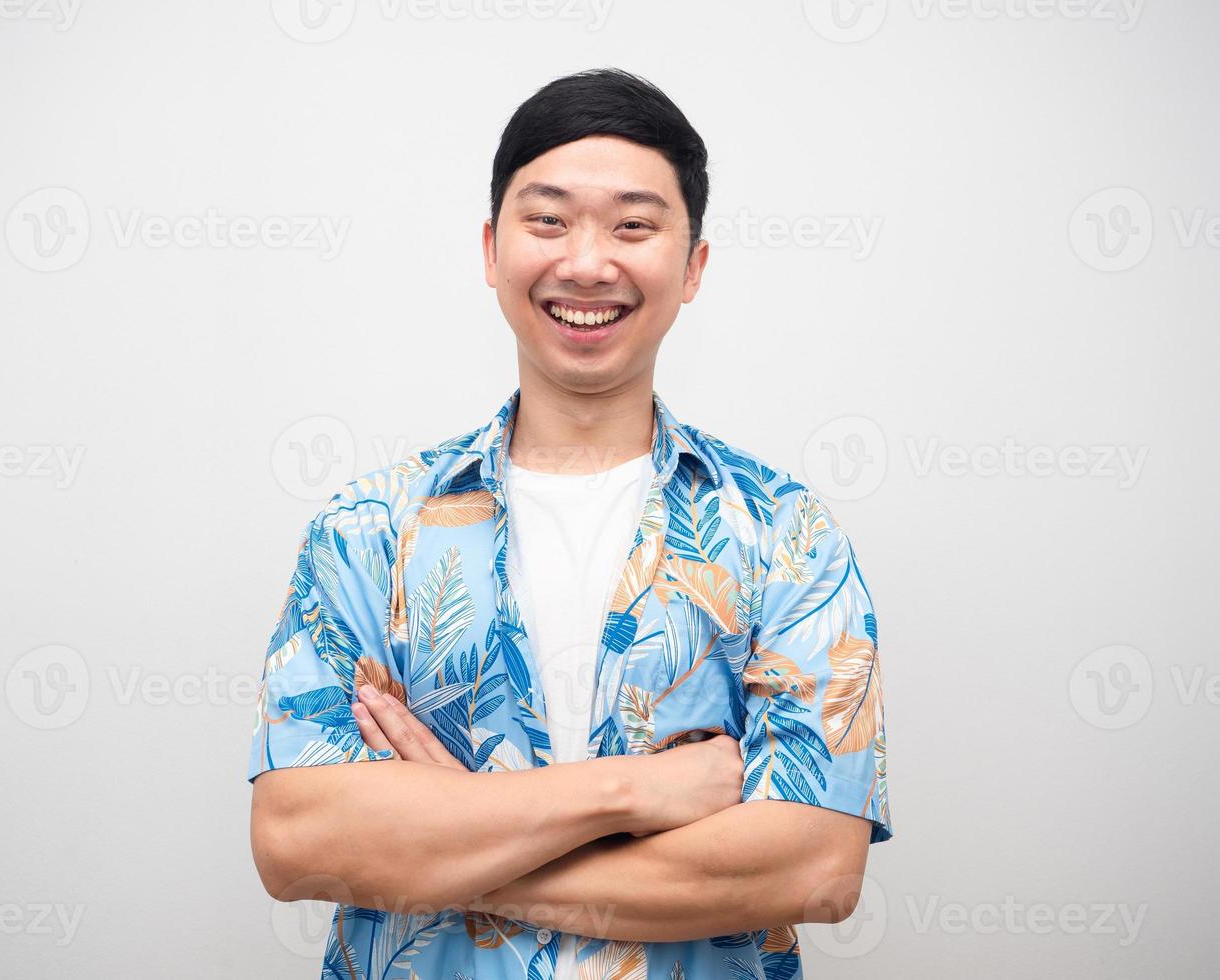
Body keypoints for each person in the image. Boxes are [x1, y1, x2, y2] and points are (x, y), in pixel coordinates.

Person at [247, 66, 892, 979]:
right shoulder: (367, 533)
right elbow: (295, 840)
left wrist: (442, 841)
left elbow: (817, 867)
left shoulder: (784, 533)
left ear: (693, 264)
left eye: (633, 225)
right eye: (547, 220)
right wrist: (634, 792)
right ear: (490, 249)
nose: (587, 262)